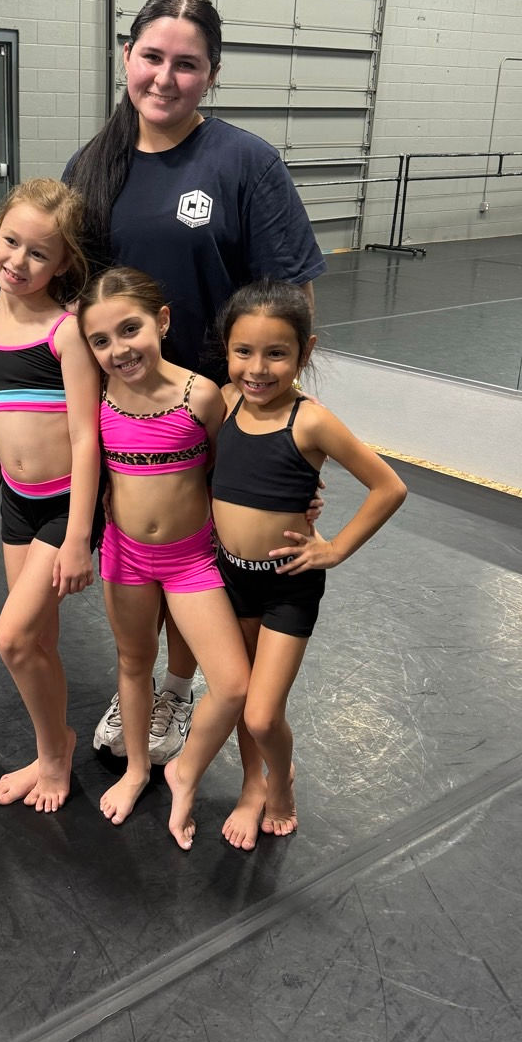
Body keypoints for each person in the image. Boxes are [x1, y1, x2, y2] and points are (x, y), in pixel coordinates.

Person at [64, 0, 326, 762]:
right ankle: (138, 682)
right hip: (127, 413)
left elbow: (290, 303)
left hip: (218, 411)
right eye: (151, 57)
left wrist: (276, 429)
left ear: (212, 73)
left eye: (186, 64)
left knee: (197, 558)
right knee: (137, 549)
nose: (164, 77)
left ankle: (177, 690)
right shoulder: (93, 165)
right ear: (126, 56)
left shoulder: (246, 163)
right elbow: (69, 295)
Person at [179, 277, 407, 848]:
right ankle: (251, 785)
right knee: (240, 698)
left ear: (305, 352)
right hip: (230, 576)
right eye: (244, 351)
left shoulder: (311, 421)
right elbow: (219, 469)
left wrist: (335, 548)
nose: (258, 369)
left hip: (287, 584)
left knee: (263, 713)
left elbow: (389, 487)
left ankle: (280, 779)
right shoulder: (224, 401)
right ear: (226, 350)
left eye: (276, 354)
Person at [77, 268, 251, 848]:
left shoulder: (201, 395)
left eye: (130, 329)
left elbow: (229, 470)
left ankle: (184, 769)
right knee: (133, 662)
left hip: (192, 558)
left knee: (232, 684)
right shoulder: (97, 398)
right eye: (101, 340)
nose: (119, 349)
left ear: (163, 321)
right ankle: (135, 769)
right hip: (125, 557)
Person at [0, 178, 102, 813]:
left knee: (13, 639)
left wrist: (78, 536)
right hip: (16, 505)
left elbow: (85, 439)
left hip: (64, 505)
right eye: (12, 242)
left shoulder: (64, 333)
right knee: (38, 642)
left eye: (39, 253)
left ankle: (53, 755)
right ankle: (55, 743)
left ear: (63, 263)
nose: (18, 261)